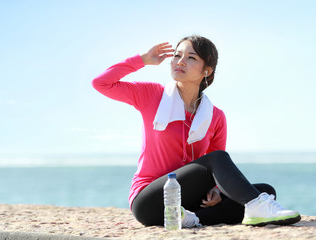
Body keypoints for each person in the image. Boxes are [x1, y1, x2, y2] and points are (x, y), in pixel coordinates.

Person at [91, 35, 301, 227]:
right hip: (150, 201)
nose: (179, 61)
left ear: (206, 71)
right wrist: (142, 59)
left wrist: (217, 191)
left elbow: (218, 172)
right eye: (176, 55)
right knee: (221, 162)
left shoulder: (215, 116)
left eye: (191, 58)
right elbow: (101, 83)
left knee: (265, 191)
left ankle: (194, 219)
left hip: (188, 200)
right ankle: (256, 206)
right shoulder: (152, 95)